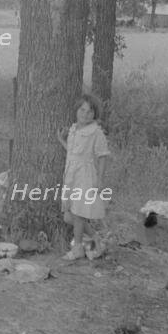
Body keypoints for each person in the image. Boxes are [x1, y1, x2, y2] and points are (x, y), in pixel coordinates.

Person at [57, 94, 110, 260]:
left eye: (90, 111)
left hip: (85, 177)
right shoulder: (74, 129)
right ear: (77, 110)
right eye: (82, 110)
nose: (85, 114)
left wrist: (100, 180)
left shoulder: (96, 132)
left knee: (79, 214)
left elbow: (102, 156)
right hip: (71, 176)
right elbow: (73, 153)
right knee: (68, 216)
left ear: (95, 114)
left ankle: (78, 248)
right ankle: (96, 237)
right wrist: (61, 140)